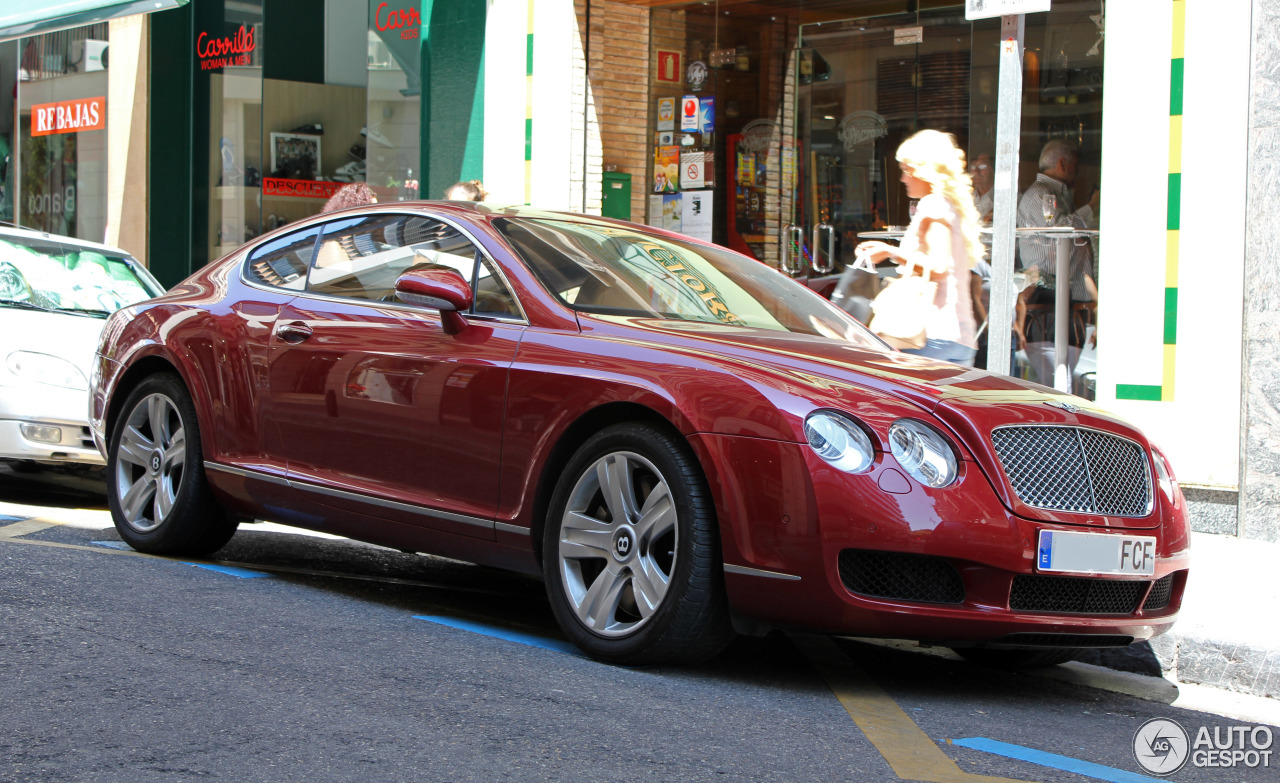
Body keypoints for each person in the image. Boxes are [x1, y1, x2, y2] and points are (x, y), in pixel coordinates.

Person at [856, 130, 981, 366]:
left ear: (925, 170)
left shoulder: (934, 204)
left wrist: (890, 251)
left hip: (927, 334)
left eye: (906, 170)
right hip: (958, 337)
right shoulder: (952, 207)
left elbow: (938, 266)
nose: (903, 179)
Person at [1015, 139, 1099, 388]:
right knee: (1054, 384)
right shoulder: (1040, 193)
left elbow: (1076, 255)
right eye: (1075, 165)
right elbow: (1061, 229)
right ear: (1063, 163)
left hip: (1064, 303)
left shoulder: (1055, 195)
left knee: (1060, 383)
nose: (1078, 172)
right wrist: (1092, 206)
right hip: (1046, 302)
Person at [969, 152, 994, 225]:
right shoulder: (964, 197)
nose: (976, 171)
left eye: (982, 166)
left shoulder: (1006, 199)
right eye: (973, 166)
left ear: (992, 170)